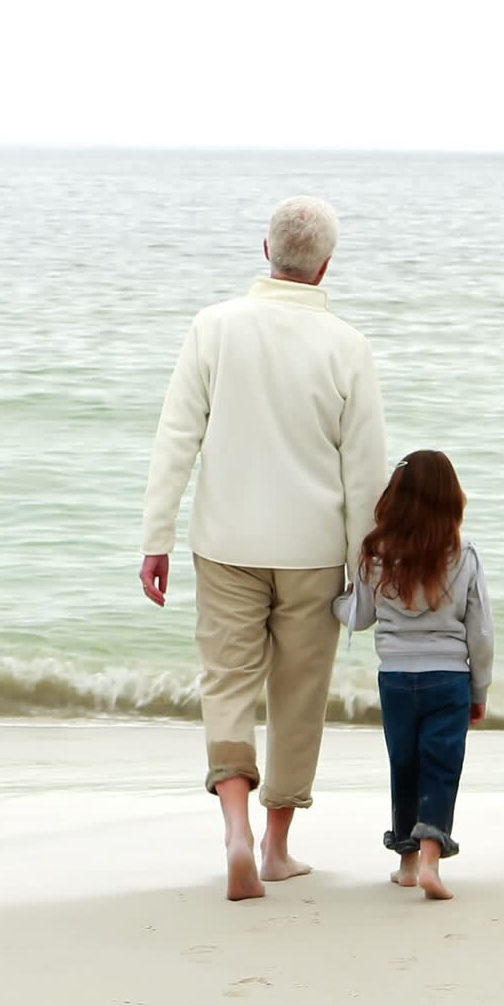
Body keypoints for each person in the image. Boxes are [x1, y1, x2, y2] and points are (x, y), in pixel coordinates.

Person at [140, 196, 387, 901]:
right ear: (326, 264)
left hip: (225, 541)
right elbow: (363, 471)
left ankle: (235, 827)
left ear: (265, 250)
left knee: (227, 681)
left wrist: (155, 538)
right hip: (312, 551)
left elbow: (176, 439)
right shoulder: (347, 346)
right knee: (298, 695)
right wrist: (364, 567)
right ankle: (277, 848)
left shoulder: (213, 327)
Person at [333, 450, 494, 900]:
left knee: (404, 765)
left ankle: (405, 865)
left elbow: (359, 616)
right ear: (452, 500)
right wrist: (479, 688)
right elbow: (480, 631)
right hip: (448, 678)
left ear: (394, 498)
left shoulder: (375, 552)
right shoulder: (462, 555)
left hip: (397, 678)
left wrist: (333, 601)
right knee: (440, 768)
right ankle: (429, 863)